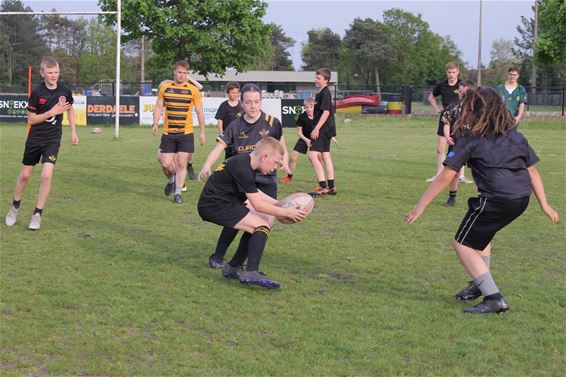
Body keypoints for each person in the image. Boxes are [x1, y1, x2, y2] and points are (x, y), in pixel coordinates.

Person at [405, 87, 559, 314]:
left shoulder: (470, 139)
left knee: (462, 243)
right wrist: (544, 205)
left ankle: (494, 297)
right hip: (520, 199)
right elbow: (533, 172)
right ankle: (479, 284)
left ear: (475, 112)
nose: (463, 113)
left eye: (466, 109)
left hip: (497, 199)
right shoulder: (515, 135)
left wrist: (420, 207)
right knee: (481, 236)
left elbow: (446, 176)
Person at [198, 83, 289, 270]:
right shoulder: (235, 125)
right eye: (248, 102)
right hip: (242, 179)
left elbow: (280, 145)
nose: (253, 106)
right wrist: (207, 164)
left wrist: (284, 161)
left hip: (266, 179)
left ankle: (238, 263)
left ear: (262, 101)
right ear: (241, 103)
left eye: (256, 102)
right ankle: (219, 255)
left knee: (264, 222)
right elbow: (219, 147)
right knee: (239, 217)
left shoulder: (273, 123)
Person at [198, 137, 305, 289]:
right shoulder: (242, 166)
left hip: (225, 202)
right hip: (214, 205)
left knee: (260, 222)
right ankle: (251, 272)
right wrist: (286, 212)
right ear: (264, 157)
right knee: (261, 226)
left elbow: (255, 193)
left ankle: (233, 267)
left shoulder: (245, 162)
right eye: (275, 162)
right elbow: (258, 204)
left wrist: (278, 203)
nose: (274, 168)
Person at [4, 56, 79, 230]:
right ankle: (15, 206)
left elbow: (70, 111)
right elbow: (31, 120)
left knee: (46, 174)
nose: (54, 76)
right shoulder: (37, 92)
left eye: (56, 72)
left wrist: (74, 132)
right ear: (42, 73)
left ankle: (37, 213)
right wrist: (51, 112)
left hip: (53, 139)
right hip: (35, 139)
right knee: (25, 176)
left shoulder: (65, 91)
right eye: (50, 72)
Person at [152, 61, 205, 203]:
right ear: (174, 72)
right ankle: (171, 180)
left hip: (186, 133)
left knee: (182, 164)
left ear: (187, 74)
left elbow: (199, 112)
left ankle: (178, 193)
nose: (181, 75)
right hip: (168, 133)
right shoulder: (165, 88)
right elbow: (158, 107)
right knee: (165, 164)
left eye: (184, 73)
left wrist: (202, 132)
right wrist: (155, 123)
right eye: (179, 72)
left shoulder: (193, 90)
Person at [427, 62, 471, 184]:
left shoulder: (462, 85)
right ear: (446, 72)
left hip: (459, 120)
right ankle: (439, 174)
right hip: (445, 119)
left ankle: (461, 176)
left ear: (457, 72)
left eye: (453, 72)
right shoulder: (442, 85)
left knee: (459, 149)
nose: (451, 75)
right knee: (440, 149)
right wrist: (436, 108)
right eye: (449, 72)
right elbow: (431, 97)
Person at [441, 79, 475, 207]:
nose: (461, 94)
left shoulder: (475, 109)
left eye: (464, 92)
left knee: (477, 173)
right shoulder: (452, 106)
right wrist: (446, 136)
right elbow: (446, 123)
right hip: (456, 145)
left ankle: (481, 198)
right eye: (460, 91)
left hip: (472, 145)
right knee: (453, 172)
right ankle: (452, 198)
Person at [309, 67, 337, 196]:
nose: (316, 79)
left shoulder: (325, 92)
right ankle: (331, 187)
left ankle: (322, 186)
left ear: (326, 80)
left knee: (312, 155)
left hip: (323, 129)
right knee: (325, 156)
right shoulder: (322, 92)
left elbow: (326, 113)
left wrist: (316, 128)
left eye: (318, 78)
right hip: (327, 129)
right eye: (316, 77)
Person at [280, 97, 315, 183]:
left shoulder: (318, 116)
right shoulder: (302, 117)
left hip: (315, 139)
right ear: (304, 107)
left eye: (311, 107)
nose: (309, 109)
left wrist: (331, 137)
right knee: (293, 157)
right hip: (304, 138)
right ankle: (289, 177)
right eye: (307, 107)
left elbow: (324, 128)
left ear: (314, 107)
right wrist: (306, 140)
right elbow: (299, 132)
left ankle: (320, 181)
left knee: (314, 159)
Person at [214, 82, 243, 159]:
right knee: (229, 154)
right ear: (227, 93)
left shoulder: (242, 105)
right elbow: (220, 119)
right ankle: (228, 168)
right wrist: (221, 131)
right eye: (233, 92)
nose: (235, 94)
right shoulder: (224, 105)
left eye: (237, 92)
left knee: (239, 154)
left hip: (240, 134)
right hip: (228, 134)